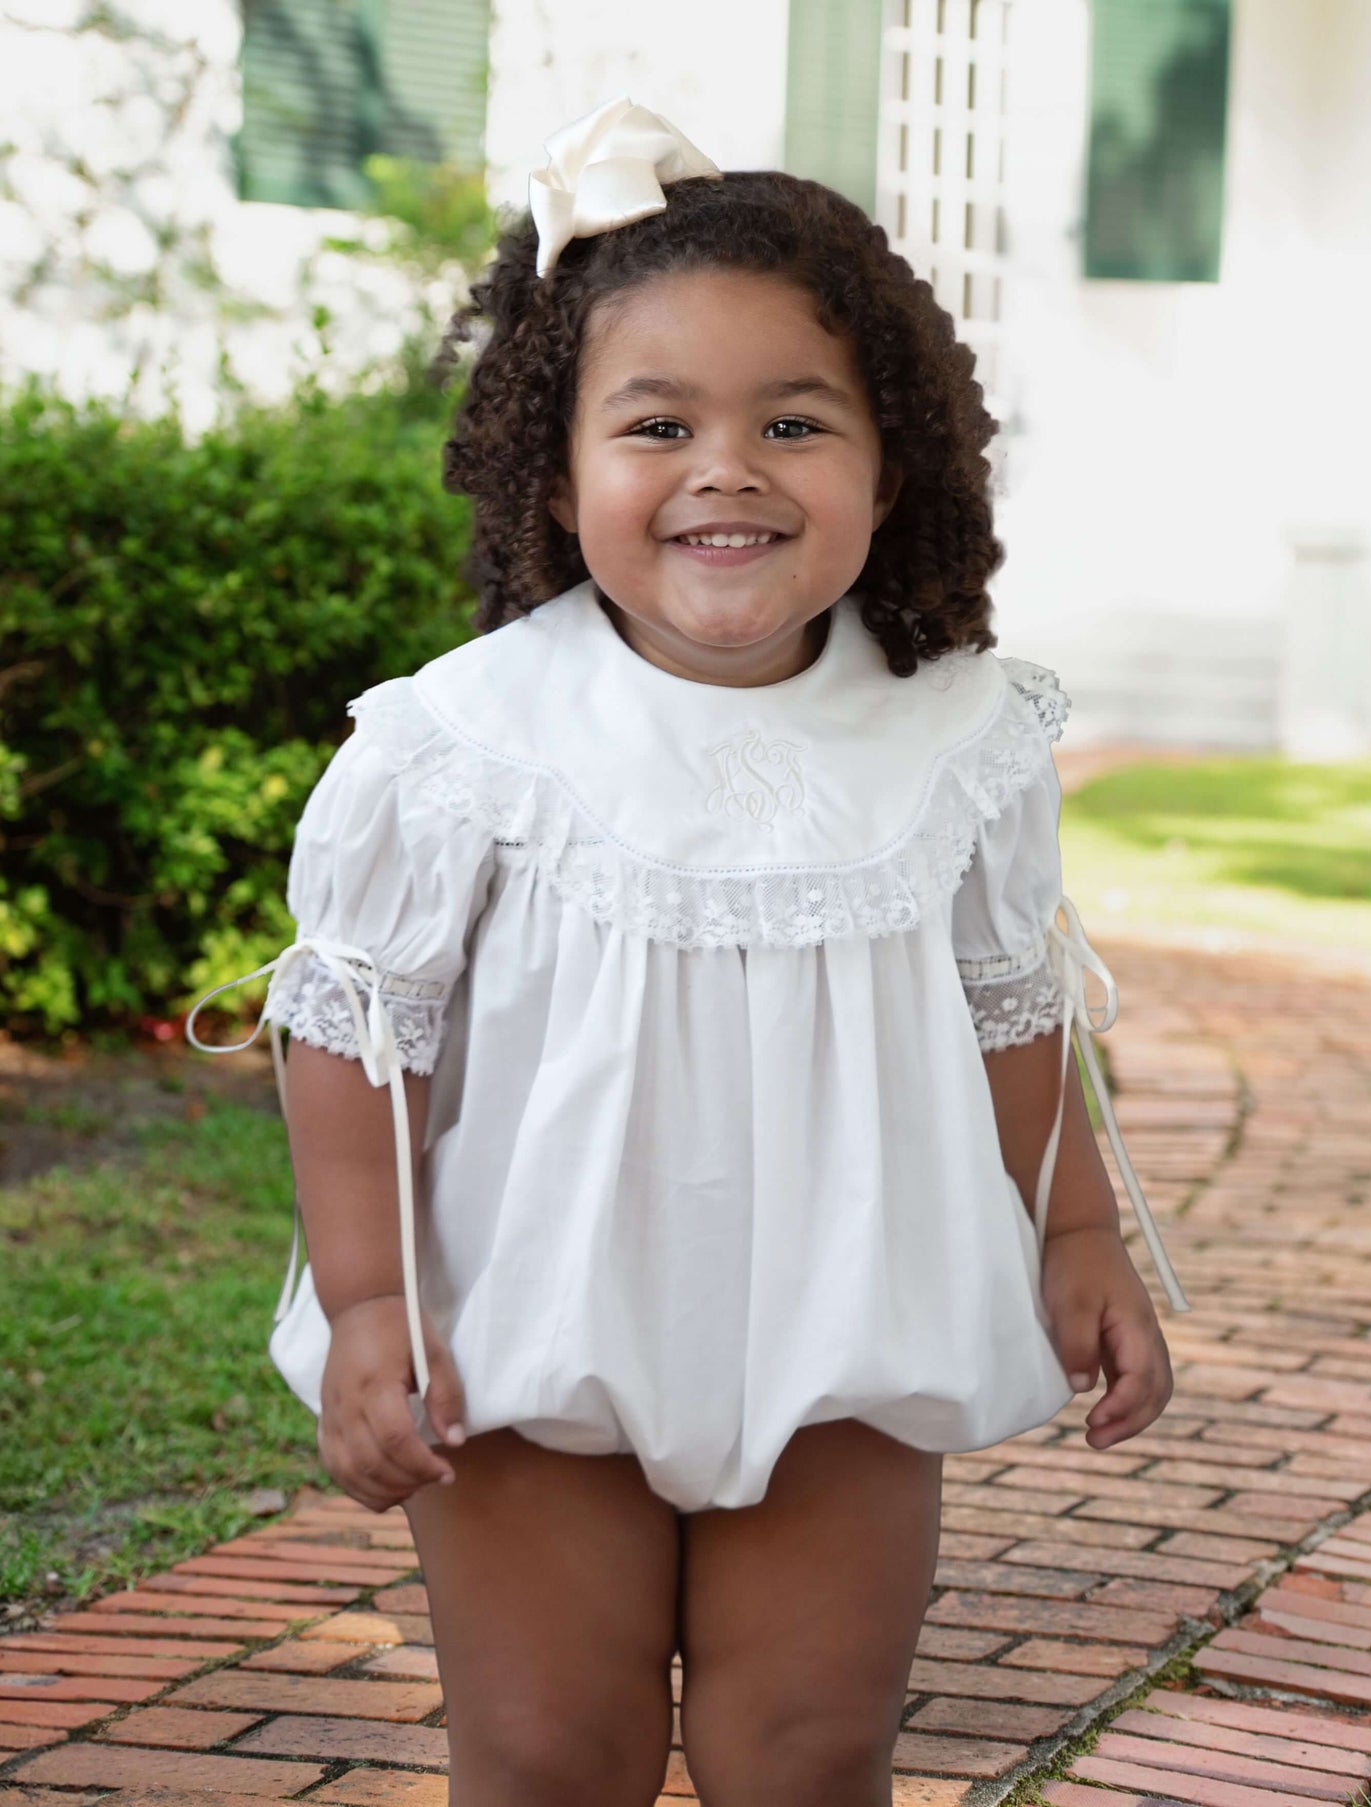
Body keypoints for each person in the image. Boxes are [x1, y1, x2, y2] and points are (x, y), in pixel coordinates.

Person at [189, 94, 1190, 1807]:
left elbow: (1012, 999)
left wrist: (1079, 1233)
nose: (725, 467)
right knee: (545, 1753)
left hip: (844, 1333)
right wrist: (368, 1303)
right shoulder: (464, 743)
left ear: (896, 462)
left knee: (806, 1754)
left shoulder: (954, 737)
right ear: (553, 466)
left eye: (794, 420)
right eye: (655, 423)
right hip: (527, 1333)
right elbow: (357, 1022)